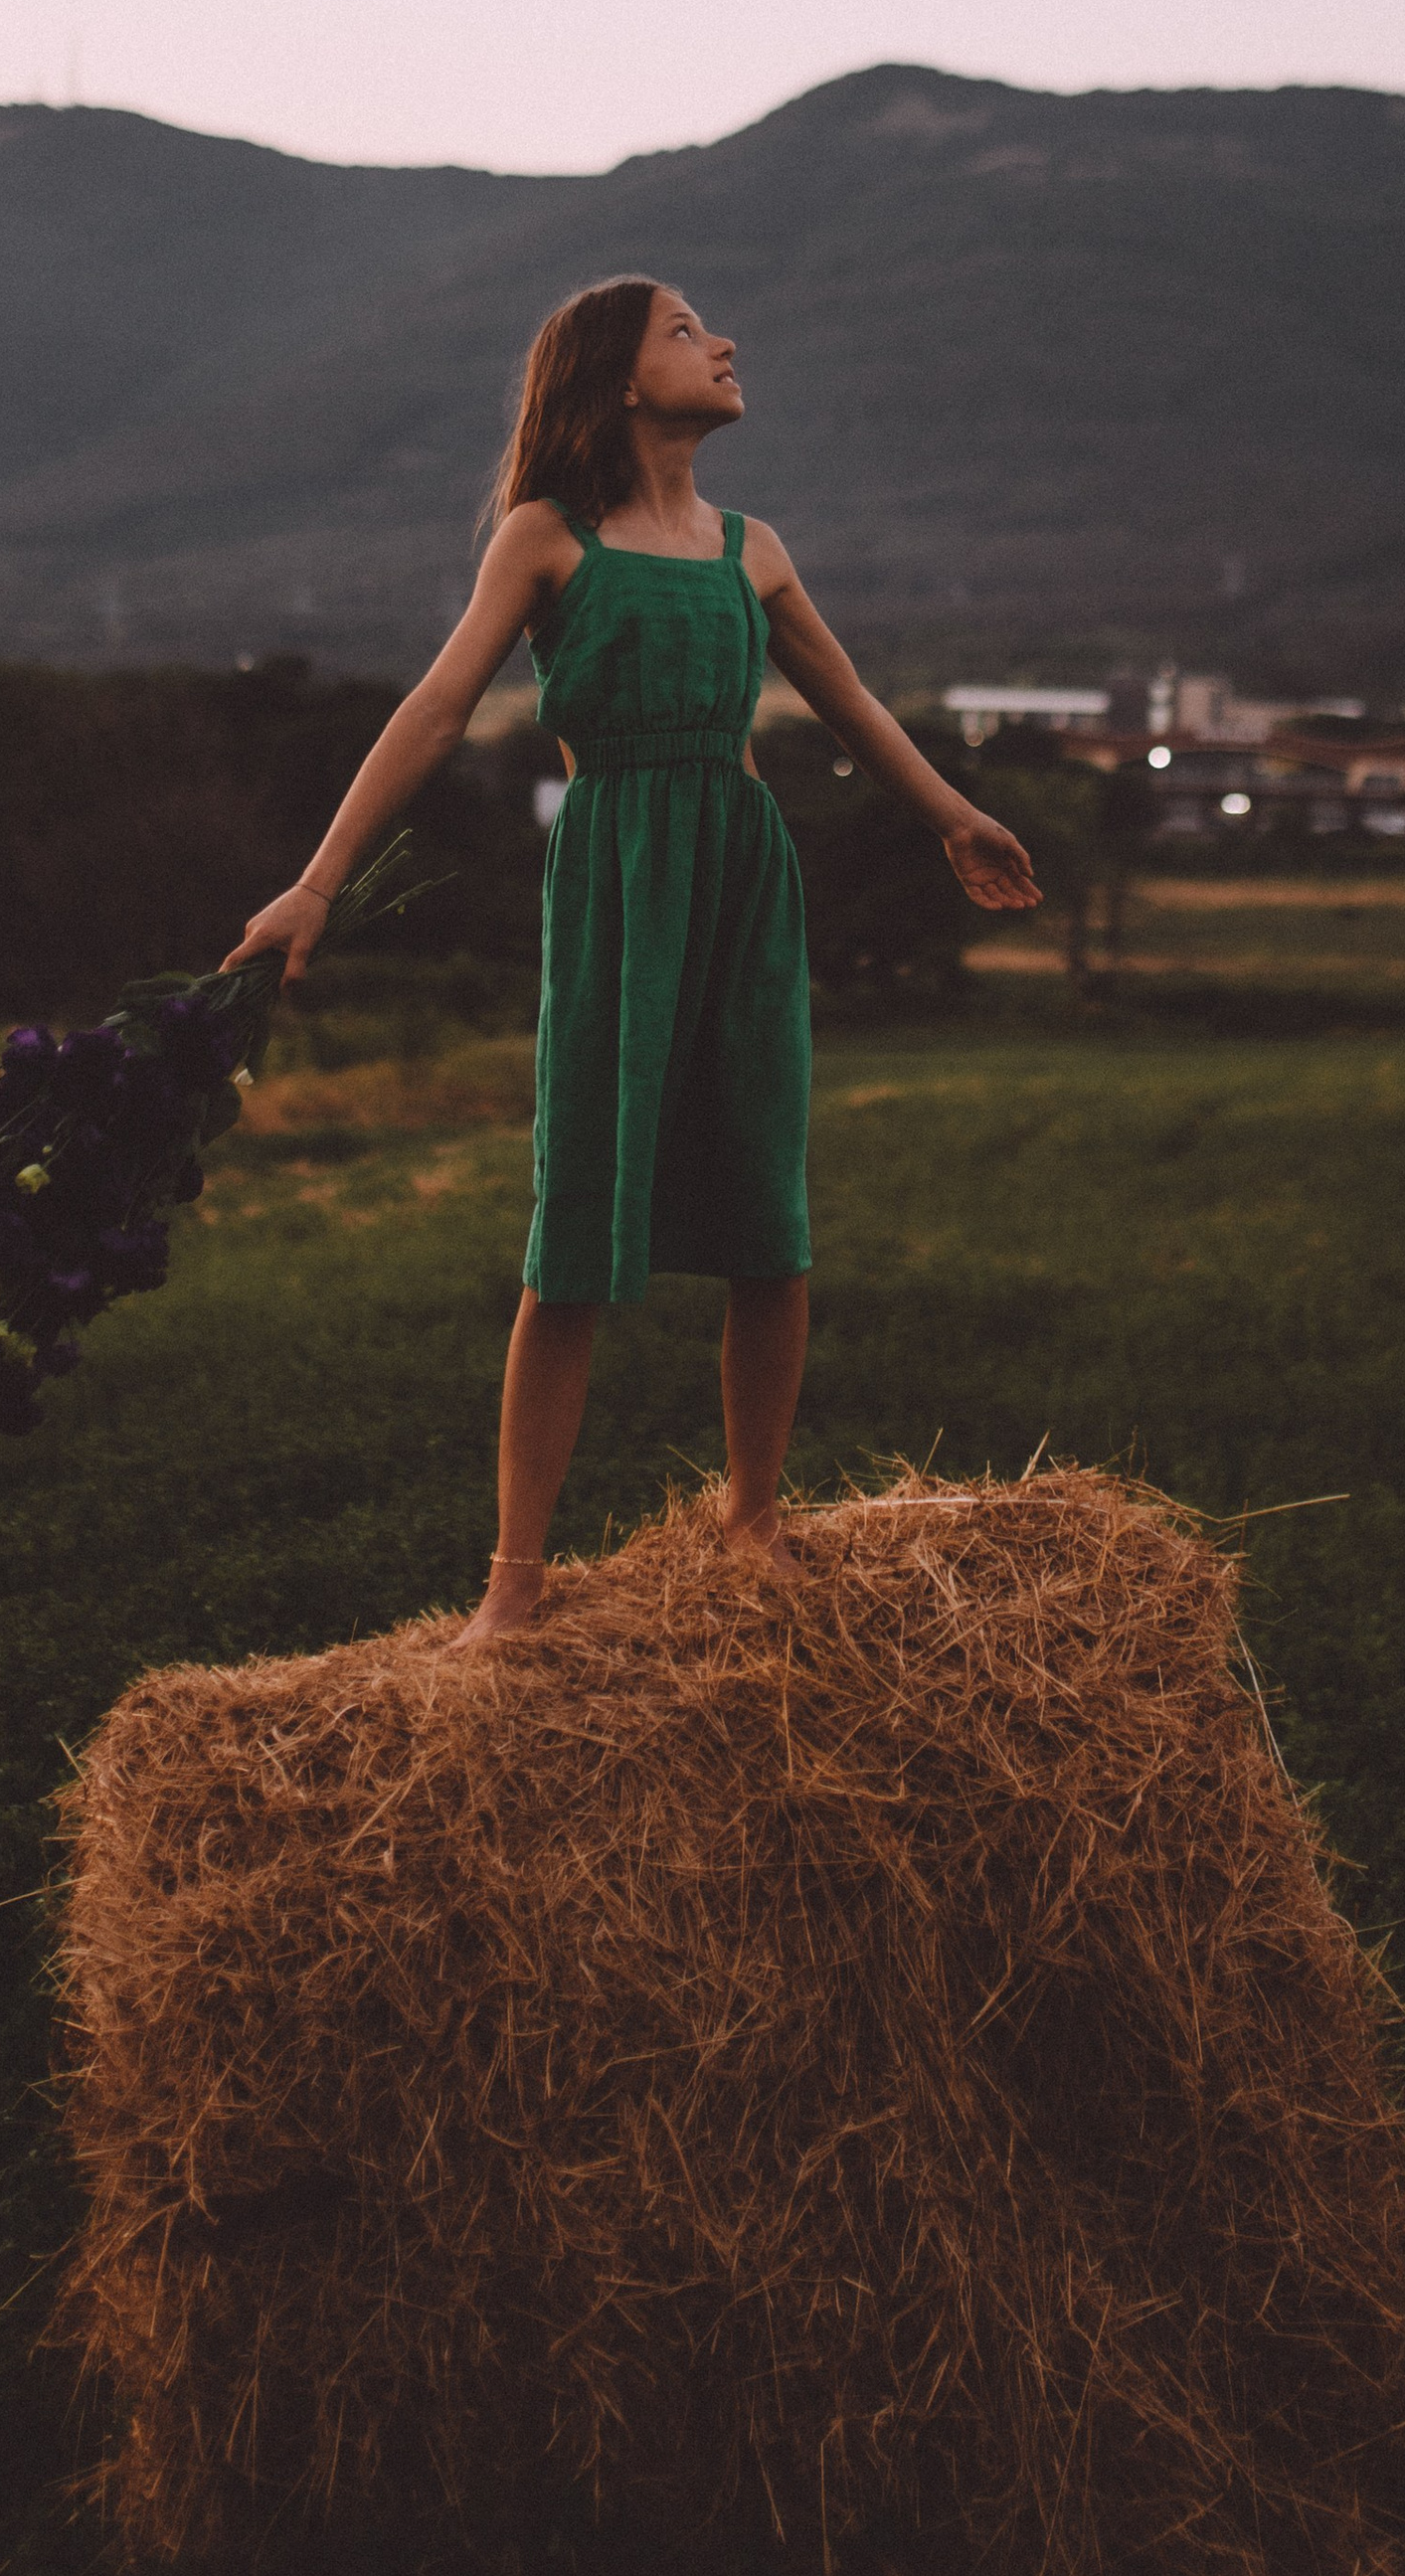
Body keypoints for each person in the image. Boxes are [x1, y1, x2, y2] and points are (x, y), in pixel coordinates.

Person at [225, 276, 1040, 1647]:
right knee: (580, 1227)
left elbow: (849, 703)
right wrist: (317, 882)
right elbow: (435, 713)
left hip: (740, 870)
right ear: (613, 379)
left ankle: (755, 1521)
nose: (720, 343)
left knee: (766, 1214)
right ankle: (514, 1584)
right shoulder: (544, 541)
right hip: (616, 874)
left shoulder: (752, 548)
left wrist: (954, 816)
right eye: (682, 330)